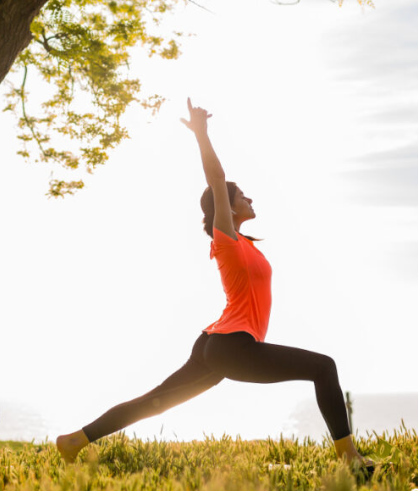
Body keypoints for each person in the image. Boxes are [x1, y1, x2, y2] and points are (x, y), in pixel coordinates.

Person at [55, 98, 374, 471]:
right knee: (324, 368)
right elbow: (217, 180)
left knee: (155, 399)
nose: (250, 198)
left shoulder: (245, 245)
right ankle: (349, 459)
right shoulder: (225, 240)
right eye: (243, 196)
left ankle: (75, 440)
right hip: (230, 345)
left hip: (216, 342)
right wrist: (202, 135)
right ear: (227, 207)